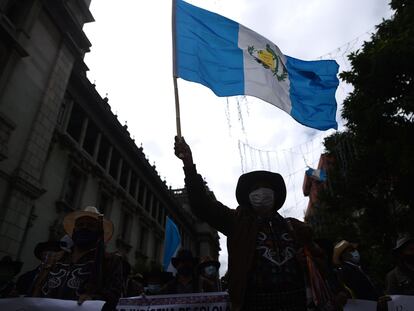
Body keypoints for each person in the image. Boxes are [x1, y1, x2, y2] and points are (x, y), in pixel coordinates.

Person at [174, 136, 322, 311]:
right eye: (254, 189)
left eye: (266, 187)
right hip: (254, 305)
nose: (261, 192)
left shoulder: (294, 227)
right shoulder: (236, 222)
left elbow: (320, 261)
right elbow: (202, 205)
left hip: (296, 304)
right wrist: (189, 166)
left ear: (275, 195)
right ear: (248, 197)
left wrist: (333, 289)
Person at [25, 206, 123, 310]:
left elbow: (114, 296)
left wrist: (93, 300)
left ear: (99, 232)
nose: (84, 228)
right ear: (74, 230)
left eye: (91, 225)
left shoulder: (110, 261)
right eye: (80, 225)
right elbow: (35, 290)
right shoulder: (53, 259)